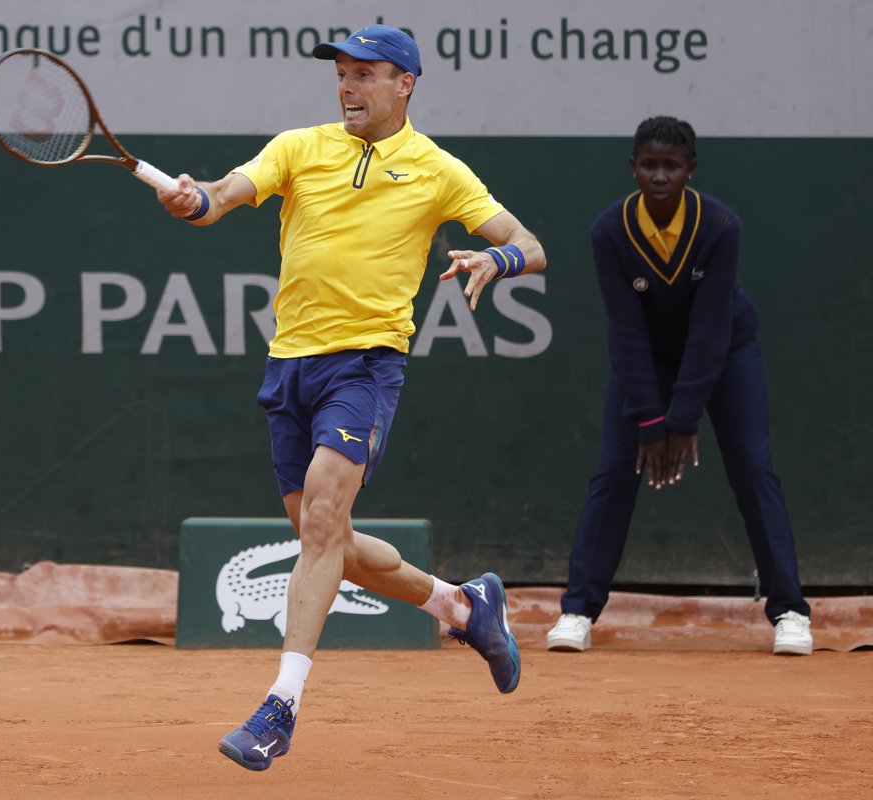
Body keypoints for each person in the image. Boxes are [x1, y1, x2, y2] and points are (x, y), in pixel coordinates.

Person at [156, 24, 546, 771]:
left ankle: (280, 707)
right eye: (341, 72)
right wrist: (191, 198)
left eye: (365, 74)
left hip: (364, 367)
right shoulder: (298, 147)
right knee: (324, 538)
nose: (347, 86)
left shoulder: (438, 170)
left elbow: (531, 245)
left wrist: (495, 258)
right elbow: (220, 197)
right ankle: (462, 606)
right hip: (289, 365)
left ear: (405, 84)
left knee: (323, 524)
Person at [546, 116, 812, 657]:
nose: (660, 176)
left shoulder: (720, 225)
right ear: (633, 169)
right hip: (646, 359)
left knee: (753, 467)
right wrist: (650, 419)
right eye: (650, 165)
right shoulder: (609, 230)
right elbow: (625, 332)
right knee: (613, 472)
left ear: (691, 169)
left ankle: (790, 610)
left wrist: (683, 418)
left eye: (672, 166)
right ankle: (578, 610)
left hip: (727, 351)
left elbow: (711, 328)